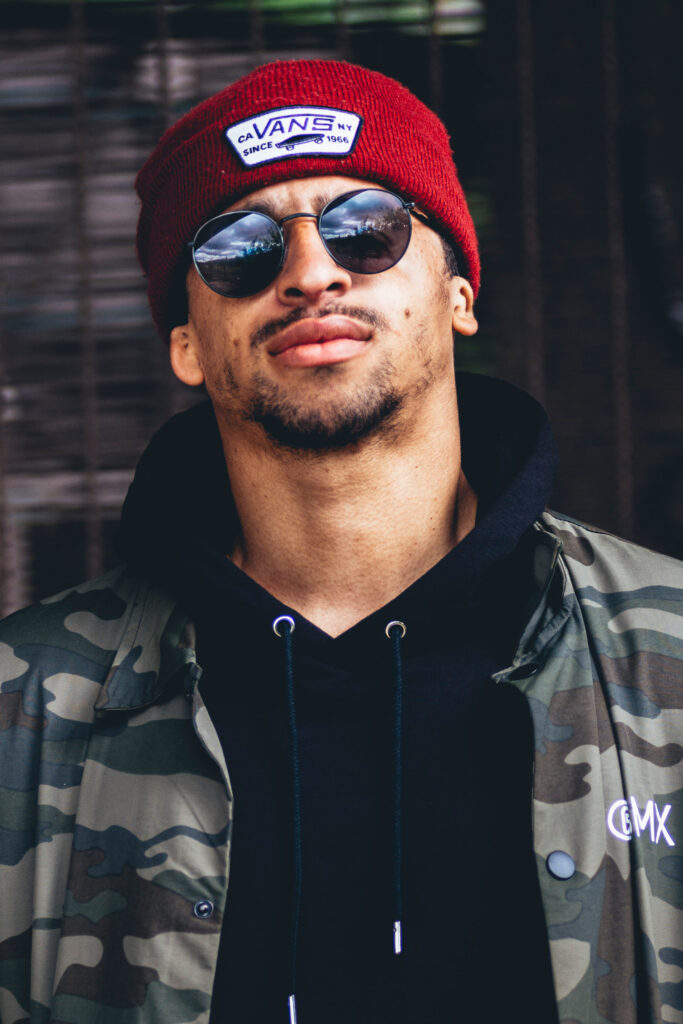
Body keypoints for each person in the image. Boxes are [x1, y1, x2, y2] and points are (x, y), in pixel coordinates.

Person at [0, 59, 681, 1024]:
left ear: (457, 293)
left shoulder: (668, 657)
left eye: (366, 228)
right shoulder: (22, 708)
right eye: (239, 247)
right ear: (186, 342)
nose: (311, 272)